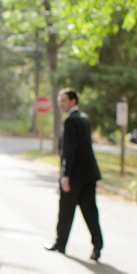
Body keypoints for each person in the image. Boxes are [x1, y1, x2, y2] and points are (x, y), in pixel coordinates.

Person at [46, 87, 103, 261]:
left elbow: (69, 151)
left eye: (63, 101)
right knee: (90, 212)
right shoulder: (84, 119)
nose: (60, 104)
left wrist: (65, 176)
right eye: (59, 101)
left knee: (66, 211)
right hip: (89, 174)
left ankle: (60, 243)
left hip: (74, 177)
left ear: (73, 101)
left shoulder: (71, 121)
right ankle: (97, 245)